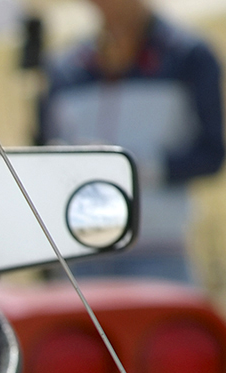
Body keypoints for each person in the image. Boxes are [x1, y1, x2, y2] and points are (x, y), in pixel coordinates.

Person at [35, 0, 225, 282]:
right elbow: (41, 156)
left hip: (159, 250)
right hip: (78, 254)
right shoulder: (64, 67)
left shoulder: (189, 57)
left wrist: (138, 168)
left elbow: (211, 153)